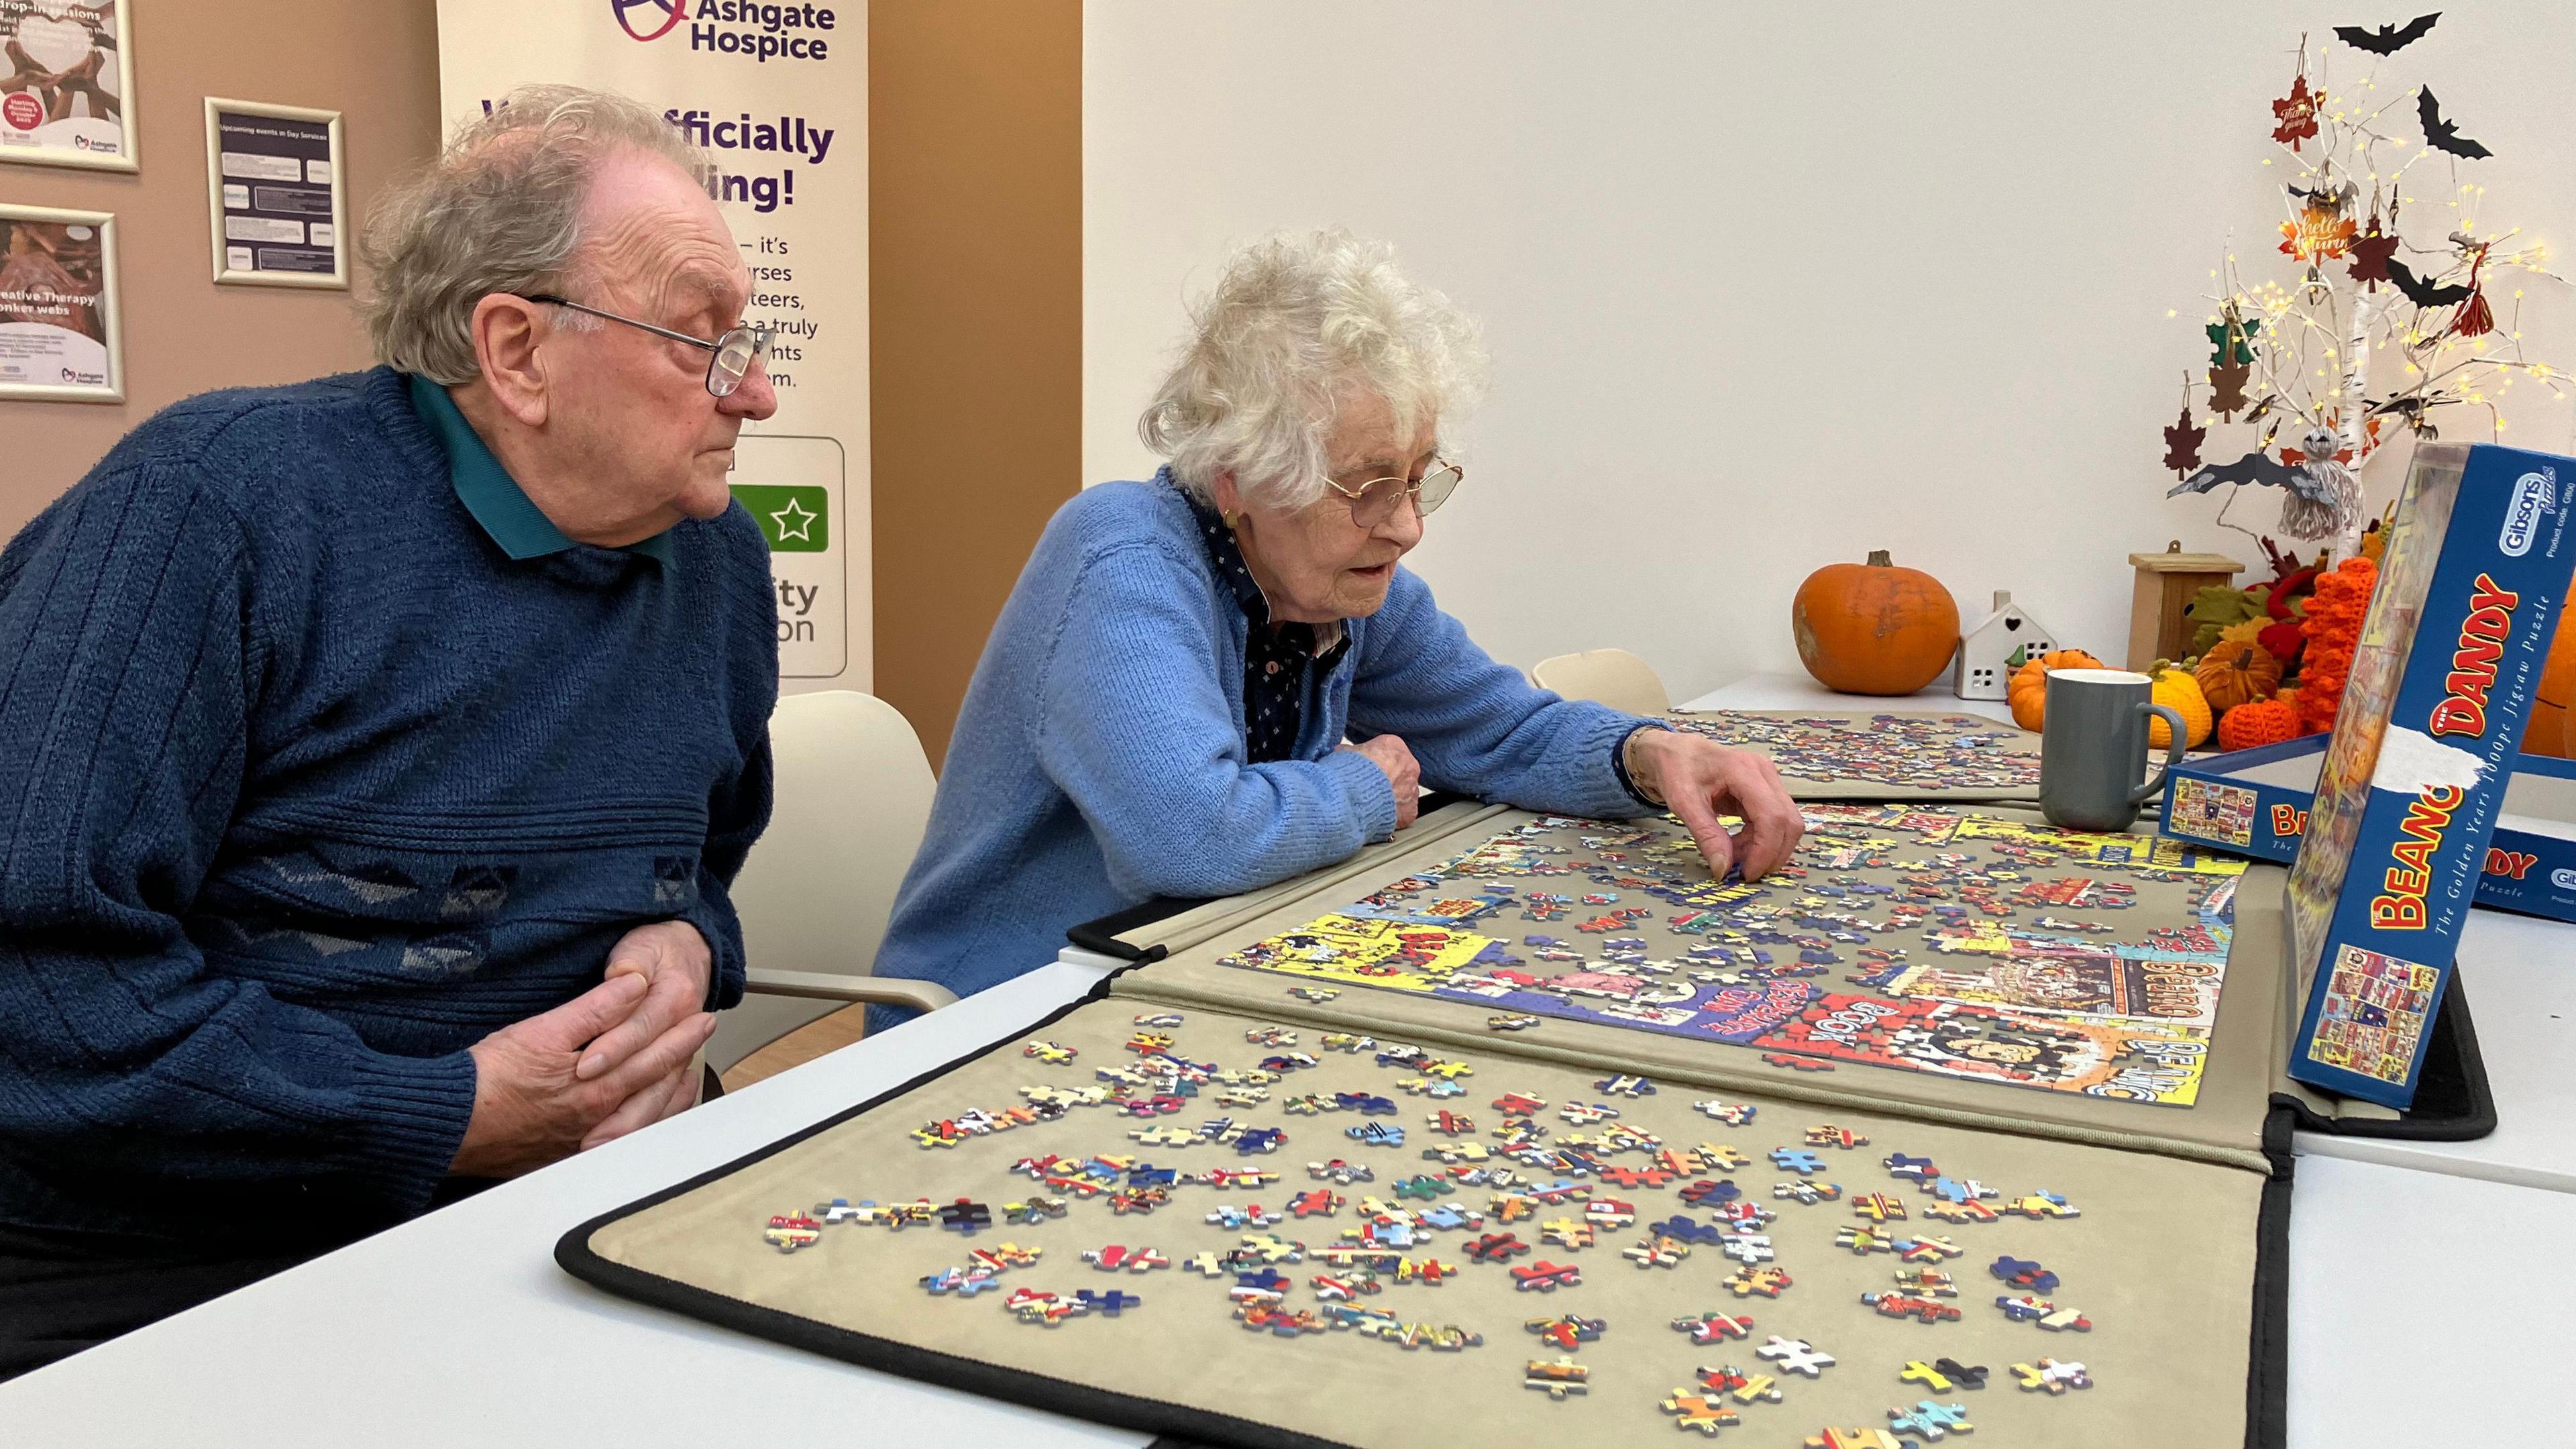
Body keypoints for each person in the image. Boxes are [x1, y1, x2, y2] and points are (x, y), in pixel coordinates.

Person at [0, 85, 780, 1378]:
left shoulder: (716, 563)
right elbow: (37, 983)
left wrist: (691, 944)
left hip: (570, 1200)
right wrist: (444, 1112)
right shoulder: (217, 508)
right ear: (518, 351)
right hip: (184, 1251)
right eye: (700, 342)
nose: (749, 393)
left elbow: (705, 852)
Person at [871, 230, 1801, 1020]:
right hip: (1004, 1012)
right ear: (1239, 476)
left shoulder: (1343, 583)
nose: (1406, 525)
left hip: (1199, 981)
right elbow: (1189, 837)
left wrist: (1652, 755)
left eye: (1422, 475)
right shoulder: (1124, 559)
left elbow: (1500, 730)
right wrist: (1362, 788)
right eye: (1366, 485)